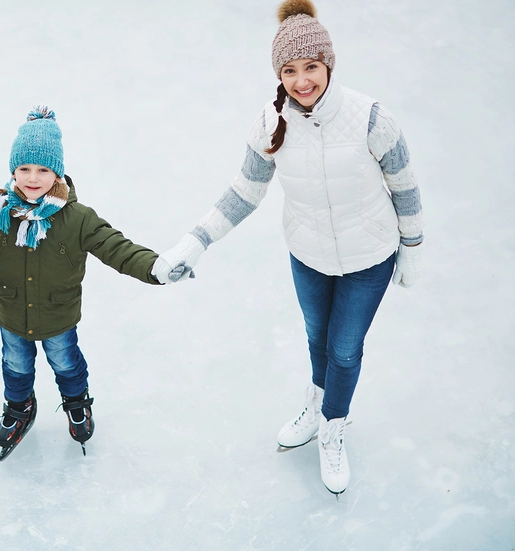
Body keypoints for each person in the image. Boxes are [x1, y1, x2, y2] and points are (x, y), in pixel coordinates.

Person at [152, 0, 423, 496]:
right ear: (279, 73)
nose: (302, 81)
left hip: (369, 256)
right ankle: (318, 401)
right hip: (309, 254)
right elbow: (244, 191)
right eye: (290, 70)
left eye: (312, 68)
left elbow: (403, 184)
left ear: (328, 66)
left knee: (344, 350)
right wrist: (194, 243)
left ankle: (332, 426)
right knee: (317, 337)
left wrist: (413, 244)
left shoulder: (371, 118)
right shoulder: (270, 121)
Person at [0, 106, 162, 461]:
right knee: (15, 365)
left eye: (43, 169)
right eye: (24, 169)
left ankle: (77, 402)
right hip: (12, 312)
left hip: (58, 314)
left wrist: (154, 267)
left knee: (66, 363)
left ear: (57, 173)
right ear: (12, 171)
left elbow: (116, 247)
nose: (32, 178)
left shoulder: (77, 218)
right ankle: (19, 406)